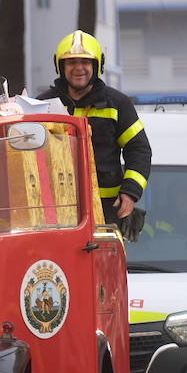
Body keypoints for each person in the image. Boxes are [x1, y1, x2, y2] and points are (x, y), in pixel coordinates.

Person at [38, 30, 152, 226]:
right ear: (60, 66)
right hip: (54, 209)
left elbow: (139, 150)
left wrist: (130, 192)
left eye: (85, 62)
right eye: (72, 62)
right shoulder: (42, 105)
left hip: (107, 210)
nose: (78, 68)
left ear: (97, 65)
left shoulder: (117, 104)